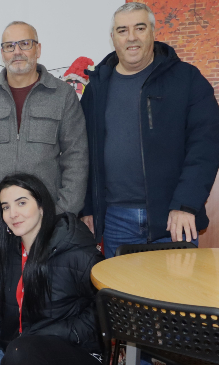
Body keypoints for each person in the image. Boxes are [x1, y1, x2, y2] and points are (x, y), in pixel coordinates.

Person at [0, 20, 88, 365]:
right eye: (9, 45)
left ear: (38, 48)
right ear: (1, 52)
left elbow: (76, 156)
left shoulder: (62, 95)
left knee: (43, 288)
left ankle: (37, 359)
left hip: (45, 218)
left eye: (25, 44)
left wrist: (63, 214)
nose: (17, 51)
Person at [80, 2, 219, 258]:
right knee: (118, 286)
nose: (131, 37)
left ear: (153, 33)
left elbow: (206, 145)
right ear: (113, 38)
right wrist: (88, 207)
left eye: (140, 28)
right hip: (115, 221)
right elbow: (83, 151)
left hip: (174, 218)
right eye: (122, 30)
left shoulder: (187, 79)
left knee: (176, 286)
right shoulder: (96, 87)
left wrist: (185, 204)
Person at [0, 173, 103, 365]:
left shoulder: (75, 248)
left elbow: (105, 308)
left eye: (21, 203)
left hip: (80, 352)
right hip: (28, 355)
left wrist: (57, 334)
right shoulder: (9, 251)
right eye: (5, 207)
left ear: (41, 205)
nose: (13, 213)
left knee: (24, 350)